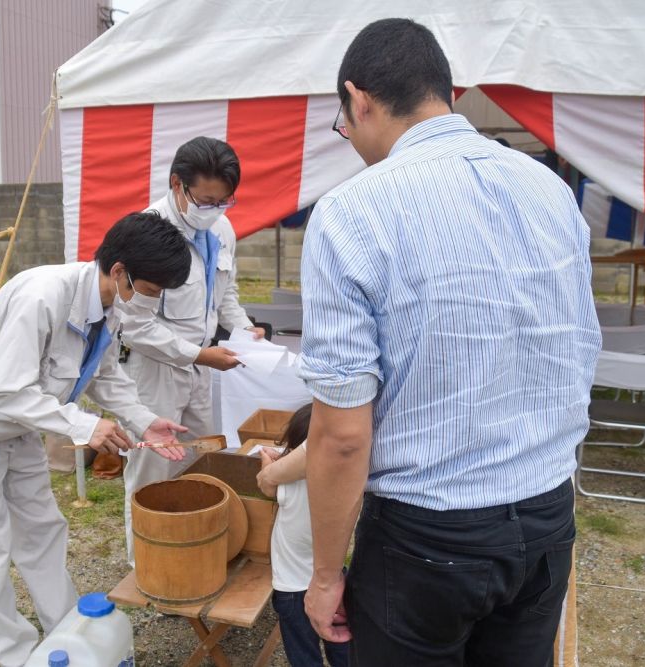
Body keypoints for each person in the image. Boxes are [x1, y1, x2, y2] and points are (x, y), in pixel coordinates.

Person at [297, 18, 601, 667]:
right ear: (447, 93)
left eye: (343, 124)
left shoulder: (353, 212)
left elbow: (344, 434)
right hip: (547, 513)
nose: (348, 139)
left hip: (427, 533)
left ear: (359, 99)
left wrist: (324, 576)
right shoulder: (551, 191)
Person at [0, 211, 192, 667]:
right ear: (119, 272)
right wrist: (86, 426)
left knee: (43, 530)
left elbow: (105, 375)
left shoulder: (110, 308)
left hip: (21, 427)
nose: (151, 302)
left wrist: (144, 421)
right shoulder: (43, 297)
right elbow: (5, 390)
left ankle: (67, 631)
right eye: (149, 291)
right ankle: (15, 653)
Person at [119, 136, 264, 563]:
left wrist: (243, 328)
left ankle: (192, 549)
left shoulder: (220, 229)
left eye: (224, 201)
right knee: (150, 468)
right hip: (154, 369)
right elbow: (132, 324)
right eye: (205, 200)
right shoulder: (147, 233)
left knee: (202, 457)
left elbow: (226, 294)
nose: (214, 208)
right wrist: (200, 355)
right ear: (176, 185)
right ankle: (146, 562)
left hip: (203, 366)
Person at [256, 403, 349, 667]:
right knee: (341, 644)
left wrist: (267, 459)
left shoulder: (288, 482)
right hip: (334, 581)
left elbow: (269, 486)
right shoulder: (342, 482)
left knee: (303, 654)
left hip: (292, 589)